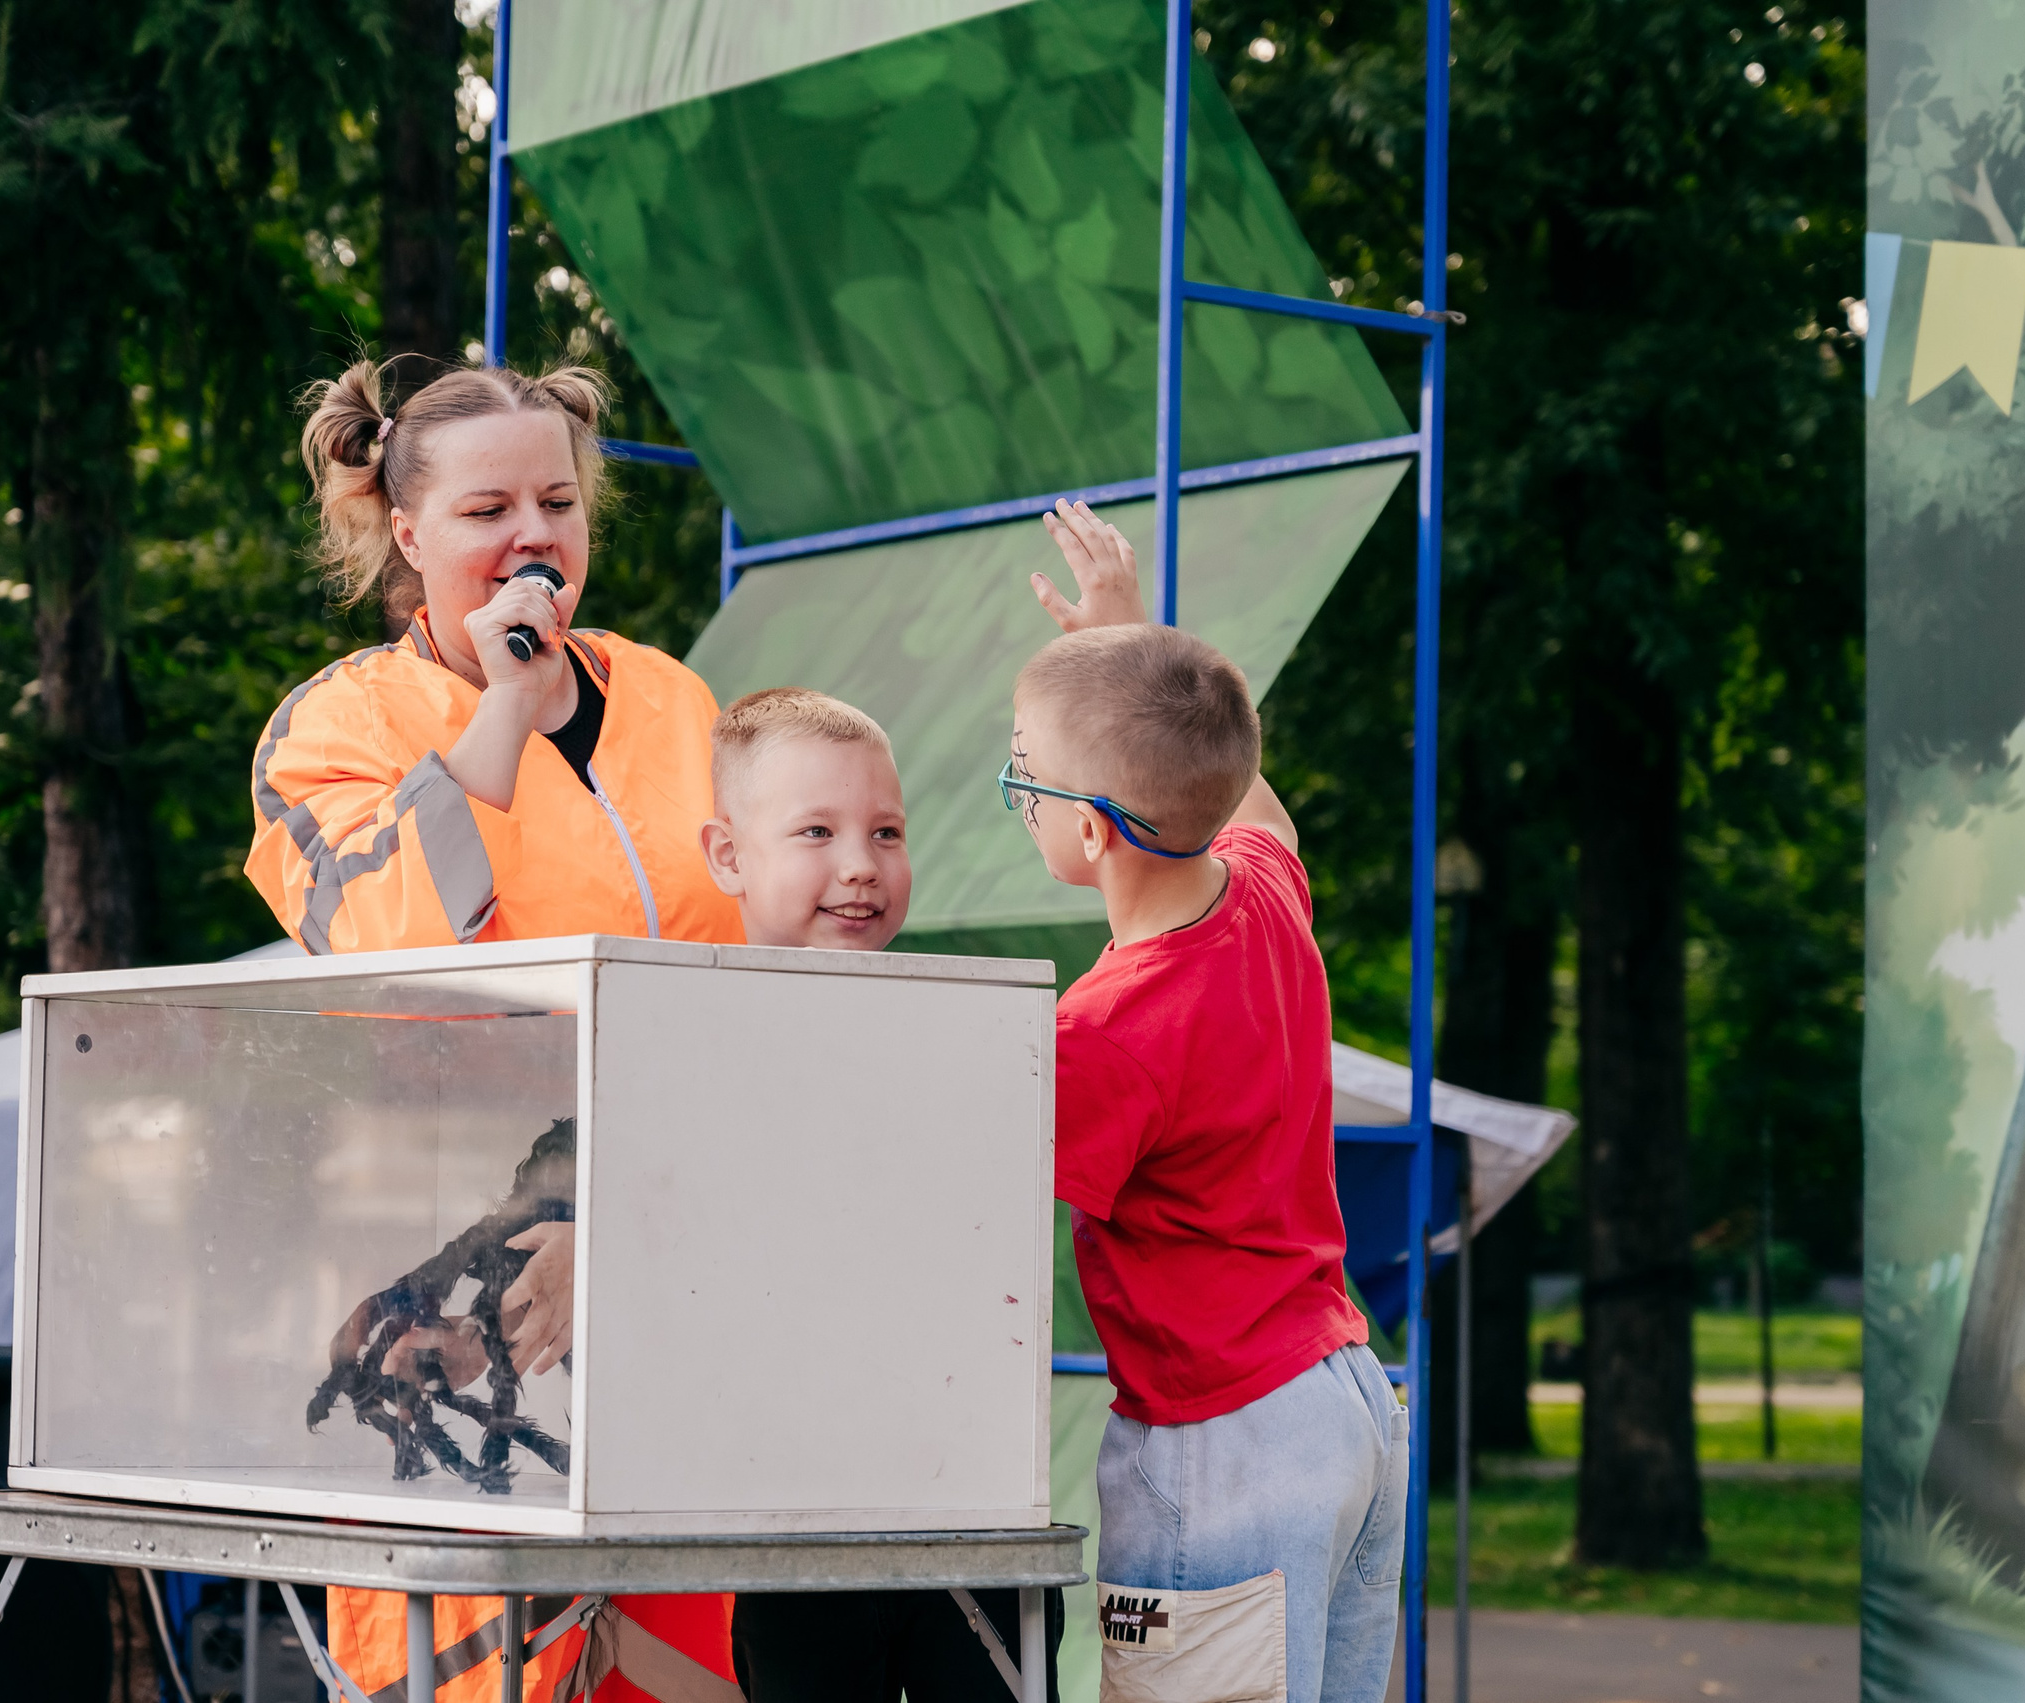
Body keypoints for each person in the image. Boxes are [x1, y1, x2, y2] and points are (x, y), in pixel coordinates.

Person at [247, 354, 743, 1702]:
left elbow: (739, 975)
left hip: (666, 1266)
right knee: (478, 1671)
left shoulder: (674, 699)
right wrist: (503, 712)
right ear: (409, 534)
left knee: (675, 1664)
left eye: (558, 502)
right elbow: (386, 937)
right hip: (453, 1285)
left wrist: (629, 1216)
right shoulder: (335, 723)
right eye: (487, 511)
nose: (534, 536)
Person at [1005, 501, 1410, 1703]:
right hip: (1344, 1406)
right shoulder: (1260, 892)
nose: (1016, 789)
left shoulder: (1104, 1033)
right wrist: (1132, 641)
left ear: (1085, 830)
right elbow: (1246, 801)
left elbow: (981, 1230)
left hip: (1222, 1434)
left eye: (1020, 772)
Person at [694, 687, 1065, 1702]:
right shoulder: (685, 1046)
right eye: (816, 830)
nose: (860, 863)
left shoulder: (962, 1035)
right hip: (795, 1536)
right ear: (727, 854)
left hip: (974, 1520)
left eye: (886, 831)